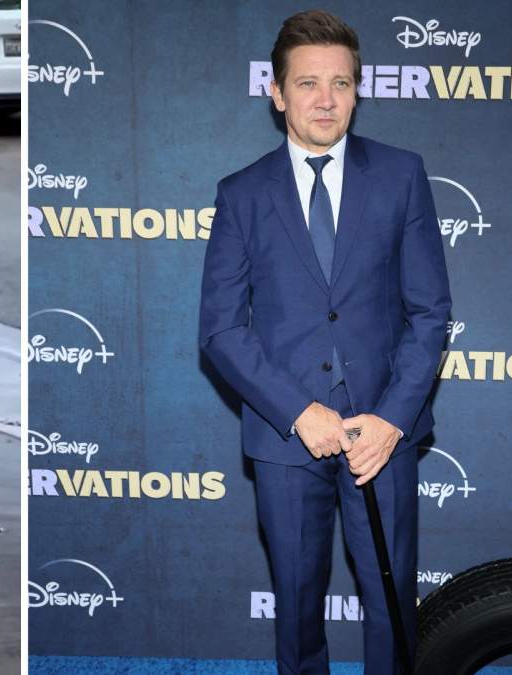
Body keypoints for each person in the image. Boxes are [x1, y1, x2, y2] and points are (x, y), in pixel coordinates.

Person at [198, 10, 451, 674]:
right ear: (277, 93)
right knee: (297, 605)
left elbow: (429, 312)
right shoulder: (243, 195)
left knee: (391, 605)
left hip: (381, 434)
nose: (326, 99)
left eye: (341, 83)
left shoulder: (400, 176)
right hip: (286, 438)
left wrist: (394, 419)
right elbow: (221, 330)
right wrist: (298, 410)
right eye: (308, 83)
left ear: (357, 91)